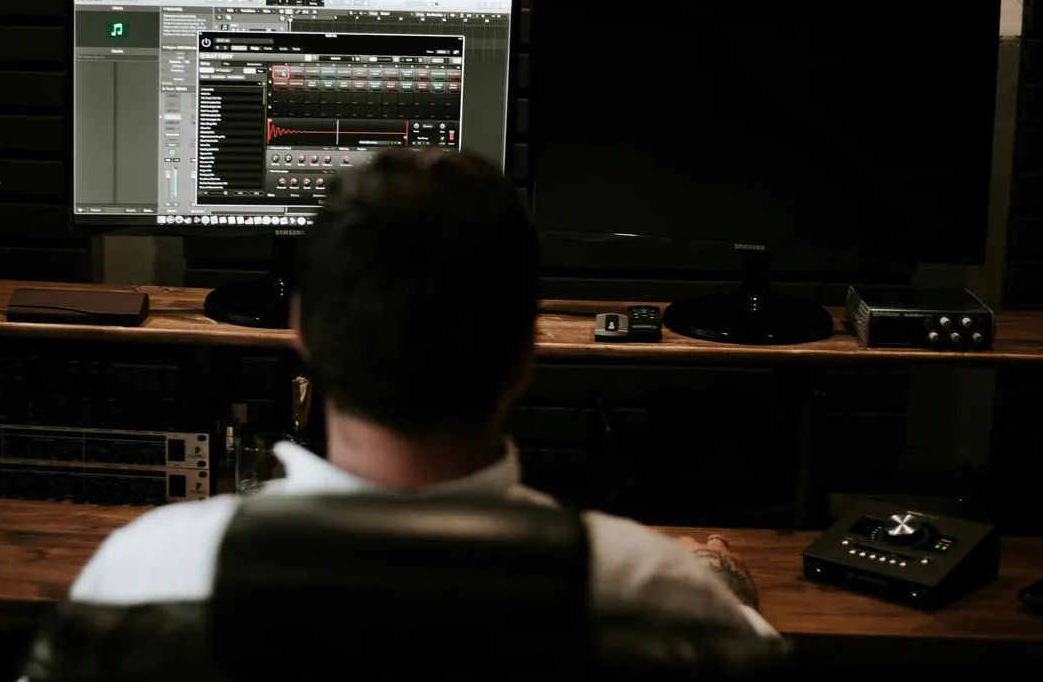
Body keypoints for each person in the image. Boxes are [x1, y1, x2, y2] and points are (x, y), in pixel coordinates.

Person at [70, 149, 773, 637]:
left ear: (303, 334)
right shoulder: (659, 597)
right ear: (528, 355)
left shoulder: (143, 576)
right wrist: (729, 596)